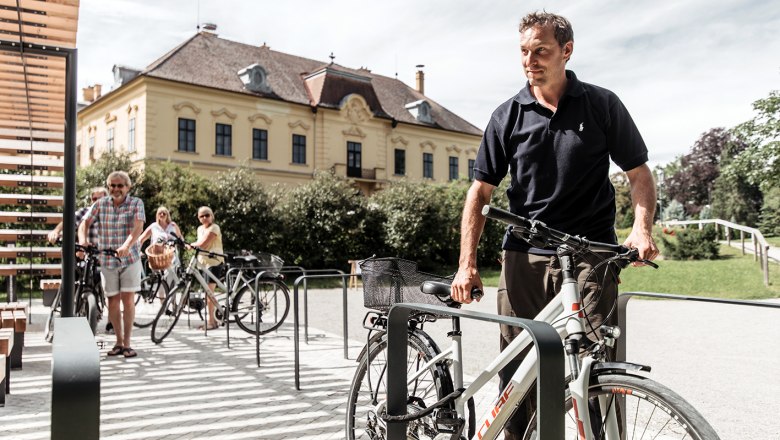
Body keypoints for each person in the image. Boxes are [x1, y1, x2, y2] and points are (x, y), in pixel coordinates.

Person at [450, 11, 658, 439]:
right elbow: (480, 194)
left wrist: (641, 229)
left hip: (592, 254)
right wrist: (466, 264)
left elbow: (639, 174)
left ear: (566, 50)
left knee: (597, 365)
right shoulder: (507, 116)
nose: (530, 60)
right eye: (524, 52)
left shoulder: (601, 104)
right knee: (520, 367)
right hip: (523, 255)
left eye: (540, 51)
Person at [79, 171, 145, 358]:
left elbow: (138, 227)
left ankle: (127, 343)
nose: (116, 189)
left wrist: (126, 245)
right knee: (112, 301)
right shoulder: (100, 204)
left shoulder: (136, 203)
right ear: (108, 187)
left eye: (120, 186)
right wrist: (83, 241)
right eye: (112, 186)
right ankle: (118, 342)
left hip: (129, 258)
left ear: (127, 187)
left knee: (128, 300)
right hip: (107, 259)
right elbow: (85, 222)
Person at [189, 206, 225, 330]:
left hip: (214, 262)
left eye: (207, 215)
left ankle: (211, 322)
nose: (204, 217)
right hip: (203, 263)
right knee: (207, 293)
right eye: (201, 216)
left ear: (212, 216)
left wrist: (191, 245)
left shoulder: (215, 228)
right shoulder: (200, 228)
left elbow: (204, 243)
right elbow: (200, 243)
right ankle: (212, 320)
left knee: (209, 293)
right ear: (198, 218)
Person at [138, 206, 183, 285]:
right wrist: (138, 251)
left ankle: (172, 296)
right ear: (157, 215)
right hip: (157, 257)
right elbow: (141, 239)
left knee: (172, 280)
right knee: (160, 282)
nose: (162, 215)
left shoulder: (173, 225)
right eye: (160, 213)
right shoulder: (154, 226)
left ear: (167, 215)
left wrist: (185, 245)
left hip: (171, 256)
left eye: (164, 213)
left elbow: (180, 238)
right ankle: (161, 297)